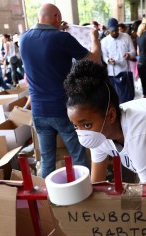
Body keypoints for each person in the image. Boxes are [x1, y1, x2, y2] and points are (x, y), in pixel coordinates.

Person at [19, 3, 101, 178]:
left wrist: (58, 31)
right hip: (62, 109)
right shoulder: (61, 39)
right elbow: (94, 61)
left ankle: (46, 200)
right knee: (78, 156)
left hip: (38, 111)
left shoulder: (23, 38)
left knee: (47, 160)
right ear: (57, 17)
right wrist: (95, 38)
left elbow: (44, 43)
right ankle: (84, 191)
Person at [101, 17, 136, 103]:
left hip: (125, 72)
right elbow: (104, 56)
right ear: (108, 30)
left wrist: (129, 55)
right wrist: (108, 61)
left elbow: (133, 52)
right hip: (112, 74)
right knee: (115, 98)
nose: (115, 32)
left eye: (116, 30)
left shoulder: (126, 37)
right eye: (112, 31)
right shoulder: (104, 41)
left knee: (128, 98)